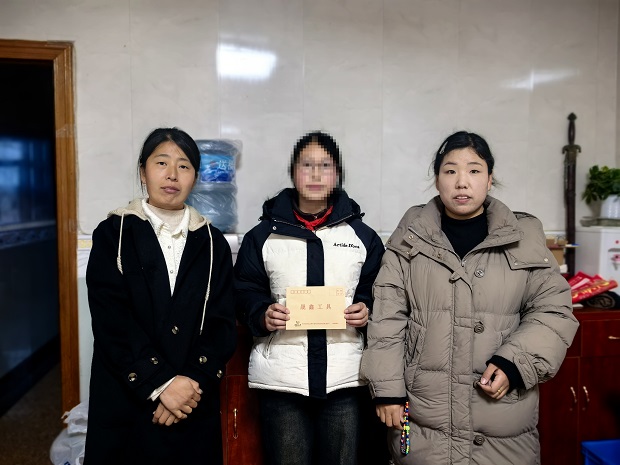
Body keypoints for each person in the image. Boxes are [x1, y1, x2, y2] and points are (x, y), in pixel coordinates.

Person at [360, 130, 579, 465]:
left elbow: (554, 310)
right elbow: (388, 317)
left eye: (474, 170)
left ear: (490, 179)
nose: (462, 182)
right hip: (423, 419)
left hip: (503, 422)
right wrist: (387, 389)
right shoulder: (409, 238)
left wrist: (515, 362)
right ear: (437, 180)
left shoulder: (525, 236)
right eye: (450, 171)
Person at [234, 131, 388, 465]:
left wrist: (367, 309)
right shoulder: (263, 236)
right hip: (282, 382)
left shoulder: (363, 237)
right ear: (293, 172)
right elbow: (244, 290)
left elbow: (380, 293)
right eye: (307, 165)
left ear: (338, 174)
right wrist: (261, 313)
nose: (316, 174)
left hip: (345, 379)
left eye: (325, 166)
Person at [84, 127, 236, 465]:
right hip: (128, 399)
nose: (172, 175)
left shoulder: (213, 243)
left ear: (195, 177)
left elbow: (222, 324)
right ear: (143, 172)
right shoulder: (113, 234)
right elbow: (112, 320)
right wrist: (162, 384)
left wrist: (188, 385)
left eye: (184, 166)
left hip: (191, 403)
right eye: (161, 163)